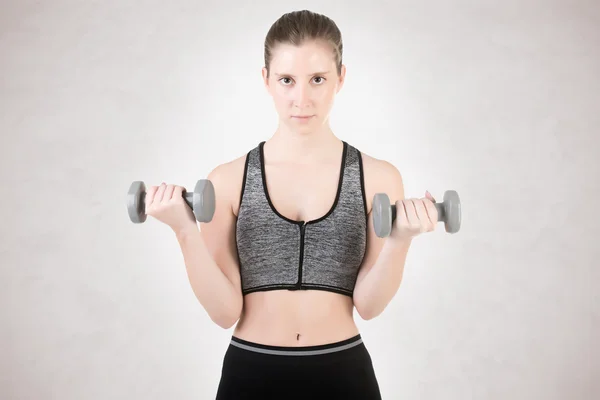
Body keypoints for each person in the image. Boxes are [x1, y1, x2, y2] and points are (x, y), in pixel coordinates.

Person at [144, 10, 438, 400]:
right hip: (251, 372)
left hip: (342, 371)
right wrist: (184, 230)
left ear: (341, 78)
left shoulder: (379, 178)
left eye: (318, 79)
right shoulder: (228, 180)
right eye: (287, 80)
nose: (302, 98)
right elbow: (224, 312)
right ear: (266, 80)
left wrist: (401, 239)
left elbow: (369, 305)